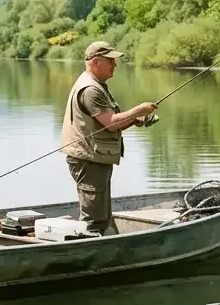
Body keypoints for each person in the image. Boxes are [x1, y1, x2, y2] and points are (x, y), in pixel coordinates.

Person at [60, 41, 158, 235]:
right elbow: (111, 122)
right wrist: (140, 109)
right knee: (94, 219)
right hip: (88, 161)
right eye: (111, 60)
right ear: (96, 62)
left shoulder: (95, 85)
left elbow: (105, 123)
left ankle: (102, 244)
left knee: (101, 215)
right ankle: (88, 253)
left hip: (94, 158)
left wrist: (132, 120)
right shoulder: (90, 89)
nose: (115, 65)